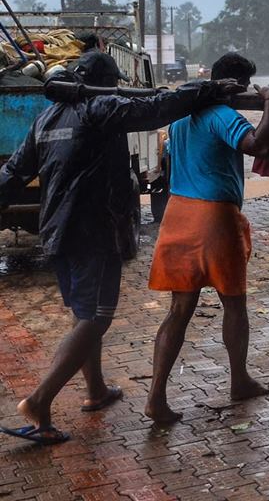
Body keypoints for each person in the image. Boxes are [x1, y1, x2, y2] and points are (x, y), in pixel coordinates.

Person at [0, 52, 240, 445]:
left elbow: (14, 173)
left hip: (57, 232)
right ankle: (39, 402)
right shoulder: (100, 108)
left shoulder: (45, 119)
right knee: (97, 317)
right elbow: (156, 109)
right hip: (92, 230)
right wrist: (209, 89)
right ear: (106, 83)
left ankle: (96, 390)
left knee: (83, 314)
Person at [144, 53, 269, 425]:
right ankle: (240, 380)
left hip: (178, 215)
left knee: (179, 311)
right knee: (234, 304)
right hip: (213, 218)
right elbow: (260, 145)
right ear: (236, 87)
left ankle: (156, 396)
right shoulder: (223, 115)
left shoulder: (179, 117)